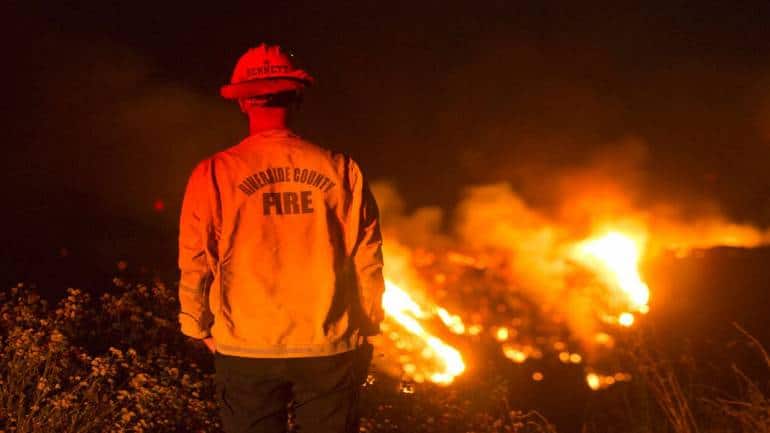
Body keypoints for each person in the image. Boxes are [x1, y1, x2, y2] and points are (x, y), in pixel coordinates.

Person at [177, 43, 385, 433]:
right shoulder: (341, 169)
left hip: (246, 346)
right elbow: (367, 255)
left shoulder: (214, 174)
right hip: (328, 344)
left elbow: (195, 258)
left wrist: (197, 326)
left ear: (242, 103)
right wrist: (368, 321)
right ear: (297, 96)